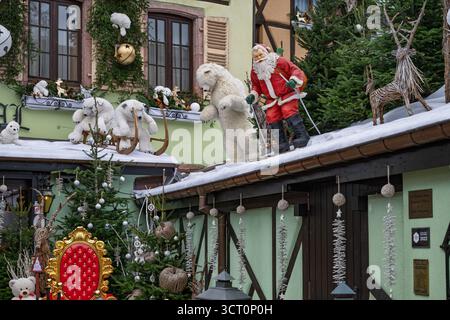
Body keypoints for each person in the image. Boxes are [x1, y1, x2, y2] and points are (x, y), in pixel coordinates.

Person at [246, 44, 310, 153]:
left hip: (287, 93)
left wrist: (294, 80)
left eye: (260, 55)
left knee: (288, 110)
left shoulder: (278, 61)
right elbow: (256, 85)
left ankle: (302, 135)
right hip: (272, 99)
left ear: (266, 52)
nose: (258, 58)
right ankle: (282, 143)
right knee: (271, 116)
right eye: (255, 57)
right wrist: (253, 95)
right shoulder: (255, 70)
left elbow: (294, 69)